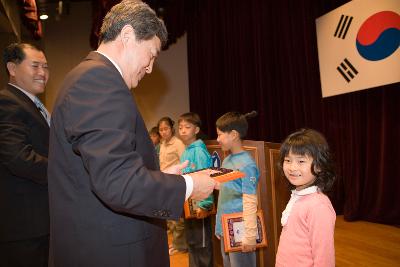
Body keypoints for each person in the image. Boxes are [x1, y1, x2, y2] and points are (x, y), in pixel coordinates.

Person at [47, 1, 216, 266]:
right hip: (111, 252)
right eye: (151, 54)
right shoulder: (99, 81)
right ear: (127, 36)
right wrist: (191, 186)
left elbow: (107, 170)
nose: (150, 68)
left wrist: (158, 177)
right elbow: (118, 183)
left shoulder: (89, 77)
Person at [0, 43, 50, 266]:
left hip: (37, 223)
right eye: (35, 66)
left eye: (46, 67)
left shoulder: (32, 103)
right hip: (23, 226)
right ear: (12, 68)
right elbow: (19, 158)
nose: (43, 73)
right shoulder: (6, 101)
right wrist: (65, 170)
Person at [275, 128, 336, 267]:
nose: (292, 167)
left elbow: (324, 258)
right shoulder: (298, 195)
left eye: (301, 161)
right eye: (288, 160)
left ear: (319, 166)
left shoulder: (319, 206)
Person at [215, 111, 259, 267]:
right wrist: (220, 226)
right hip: (226, 227)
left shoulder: (247, 164)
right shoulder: (227, 159)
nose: (218, 139)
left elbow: (250, 200)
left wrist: (250, 234)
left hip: (240, 229)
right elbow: (226, 191)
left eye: (220, 135)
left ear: (233, 134)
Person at [178, 112, 214, 267]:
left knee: (202, 246)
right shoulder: (186, 150)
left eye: (187, 127)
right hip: (189, 205)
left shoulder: (199, 151)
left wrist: (205, 205)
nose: (183, 130)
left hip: (200, 206)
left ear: (196, 129)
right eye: (180, 127)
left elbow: (205, 179)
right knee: (192, 243)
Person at [157, 116, 188, 255]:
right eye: (161, 129)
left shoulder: (178, 144)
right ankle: (176, 243)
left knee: (177, 218)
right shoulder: (162, 144)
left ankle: (180, 245)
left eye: (166, 129)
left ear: (171, 129)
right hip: (164, 182)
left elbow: (184, 163)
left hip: (175, 183)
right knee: (168, 216)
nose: (163, 132)